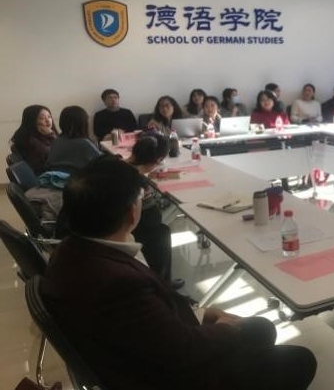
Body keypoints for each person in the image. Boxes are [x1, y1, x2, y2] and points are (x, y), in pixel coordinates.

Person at [41, 157, 316, 390]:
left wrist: (203, 313)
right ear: (131, 213)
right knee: (300, 360)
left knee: (261, 329)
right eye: (141, 197)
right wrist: (224, 328)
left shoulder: (72, 250)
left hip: (141, 352)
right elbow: (183, 351)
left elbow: (151, 327)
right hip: (176, 376)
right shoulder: (117, 284)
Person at [125, 133, 181, 286]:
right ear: (159, 160)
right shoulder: (137, 180)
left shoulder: (116, 163)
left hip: (97, 221)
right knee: (161, 232)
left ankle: (162, 282)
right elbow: (152, 218)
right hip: (121, 228)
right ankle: (162, 284)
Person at [46, 106, 101, 173]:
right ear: (83, 123)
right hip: (77, 178)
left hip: (56, 177)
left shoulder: (56, 141)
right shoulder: (84, 143)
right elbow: (104, 162)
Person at [10, 105, 58, 174]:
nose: (48, 120)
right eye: (42, 118)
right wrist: (52, 135)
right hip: (47, 175)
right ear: (32, 121)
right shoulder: (30, 140)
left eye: (49, 117)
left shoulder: (43, 136)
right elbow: (56, 155)